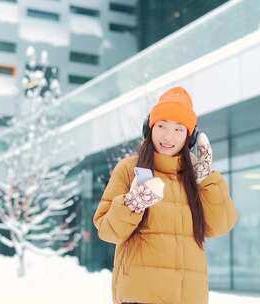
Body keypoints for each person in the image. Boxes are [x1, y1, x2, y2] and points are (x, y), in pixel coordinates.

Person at [93, 86, 238, 304]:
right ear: (149, 128)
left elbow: (220, 225)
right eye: (162, 126)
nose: (168, 136)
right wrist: (133, 203)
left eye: (179, 129)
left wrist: (206, 178)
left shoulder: (197, 177)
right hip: (140, 296)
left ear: (190, 137)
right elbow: (108, 231)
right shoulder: (129, 169)